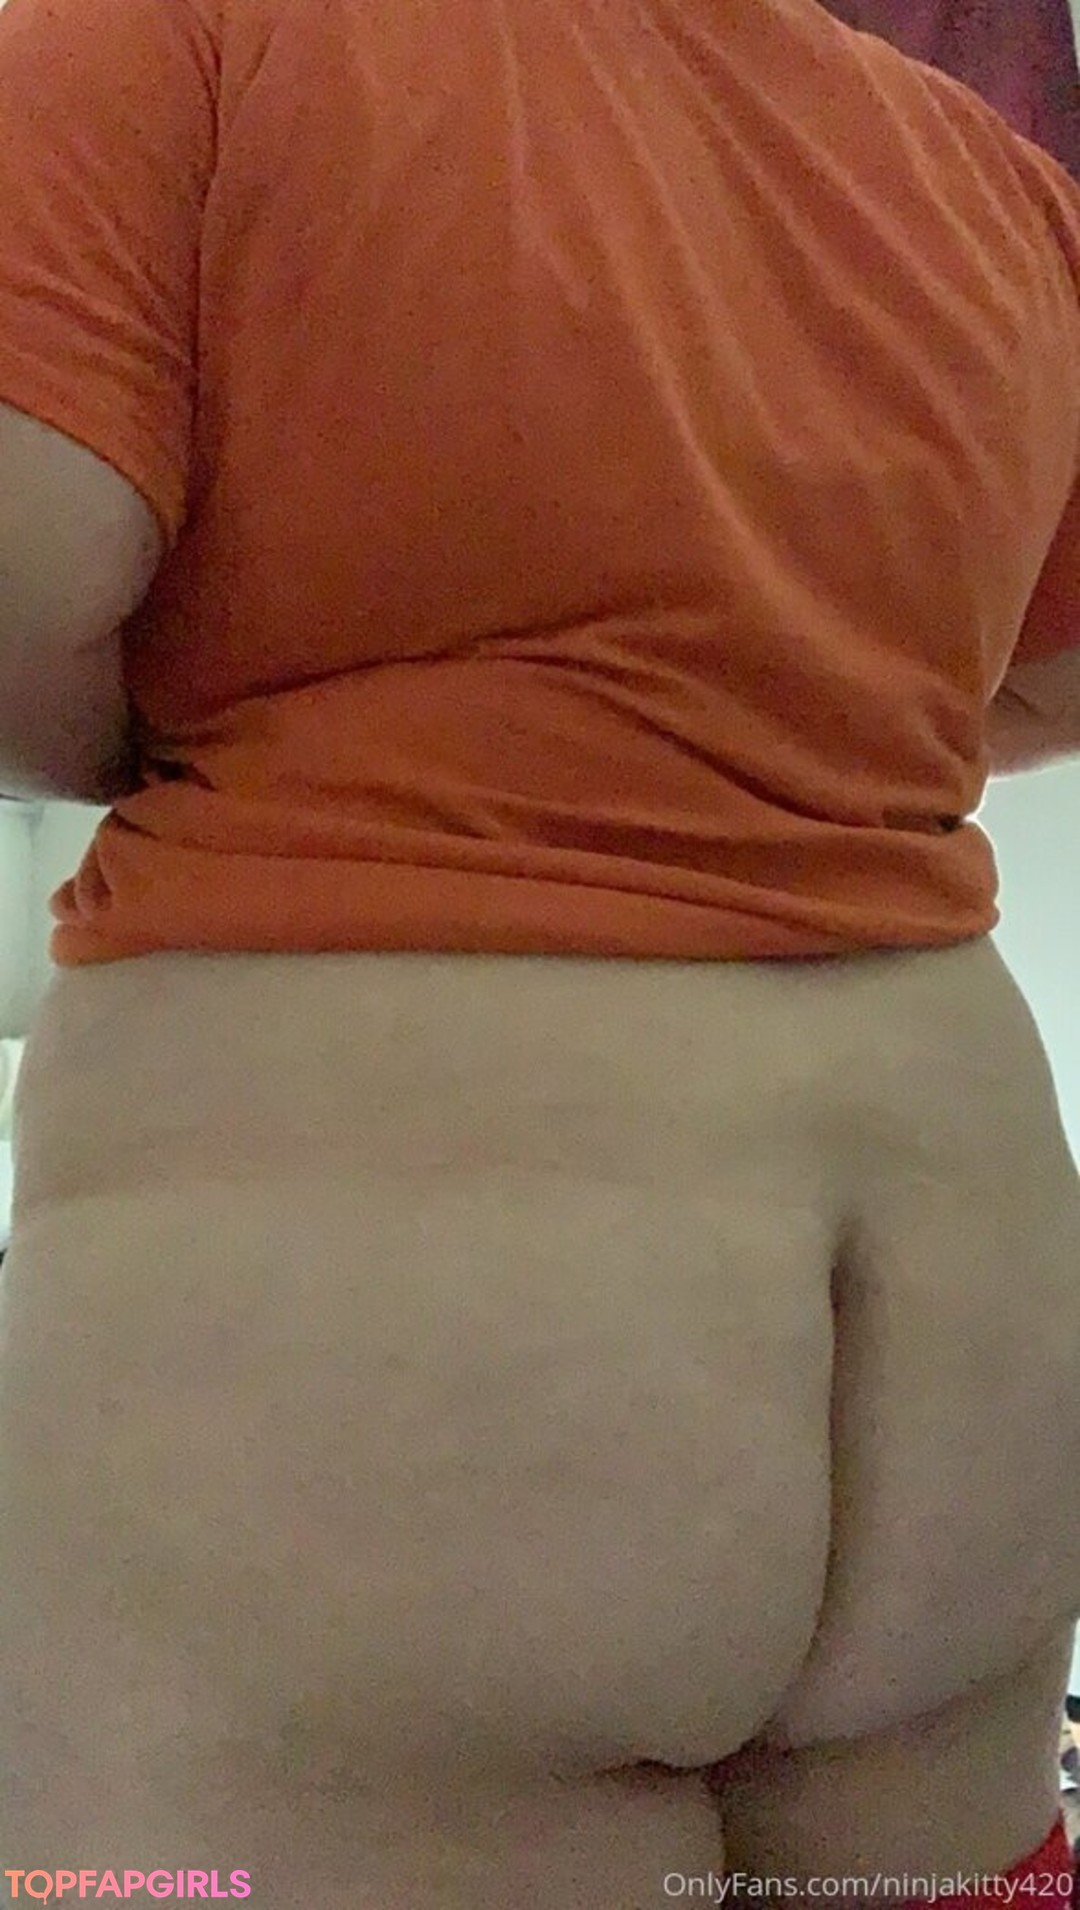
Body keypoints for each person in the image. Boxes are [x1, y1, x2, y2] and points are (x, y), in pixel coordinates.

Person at [0, 0, 1079, 1902]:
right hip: (969, 1358)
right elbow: (1050, 674)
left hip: (407, 1396)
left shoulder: (153, 43)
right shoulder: (988, 178)